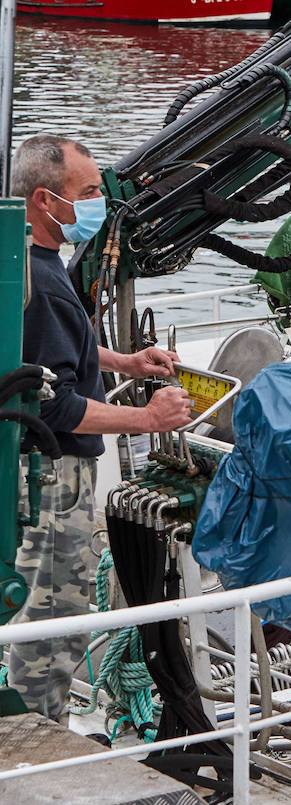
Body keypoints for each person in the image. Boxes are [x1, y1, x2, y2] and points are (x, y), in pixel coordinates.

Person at [6, 134, 192, 720]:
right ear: (44, 200)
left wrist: (125, 363)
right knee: (53, 629)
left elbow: (46, 353)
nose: (98, 205)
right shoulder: (44, 289)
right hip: (55, 482)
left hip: (27, 471)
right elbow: (55, 405)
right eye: (87, 193)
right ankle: (39, 743)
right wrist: (148, 416)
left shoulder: (24, 265)